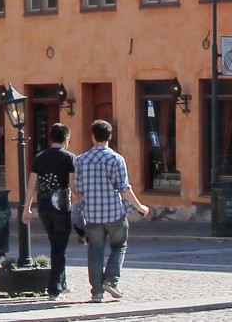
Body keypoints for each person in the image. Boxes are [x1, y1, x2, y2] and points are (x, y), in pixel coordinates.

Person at [74, 120, 150, 303]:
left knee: (95, 251)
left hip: (92, 215)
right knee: (119, 246)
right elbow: (124, 188)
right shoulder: (116, 159)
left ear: (92, 136)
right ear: (110, 136)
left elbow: (77, 190)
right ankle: (111, 280)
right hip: (114, 213)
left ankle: (97, 293)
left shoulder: (81, 160)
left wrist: (90, 199)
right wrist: (140, 207)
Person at [22, 123, 79, 300]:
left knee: (56, 243)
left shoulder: (40, 157)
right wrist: (82, 200)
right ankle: (54, 289)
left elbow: (31, 185)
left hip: (44, 207)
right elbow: (72, 185)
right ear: (66, 140)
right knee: (59, 247)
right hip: (61, 208)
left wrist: (27, 209)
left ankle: (62, 282)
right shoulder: (70, 158)